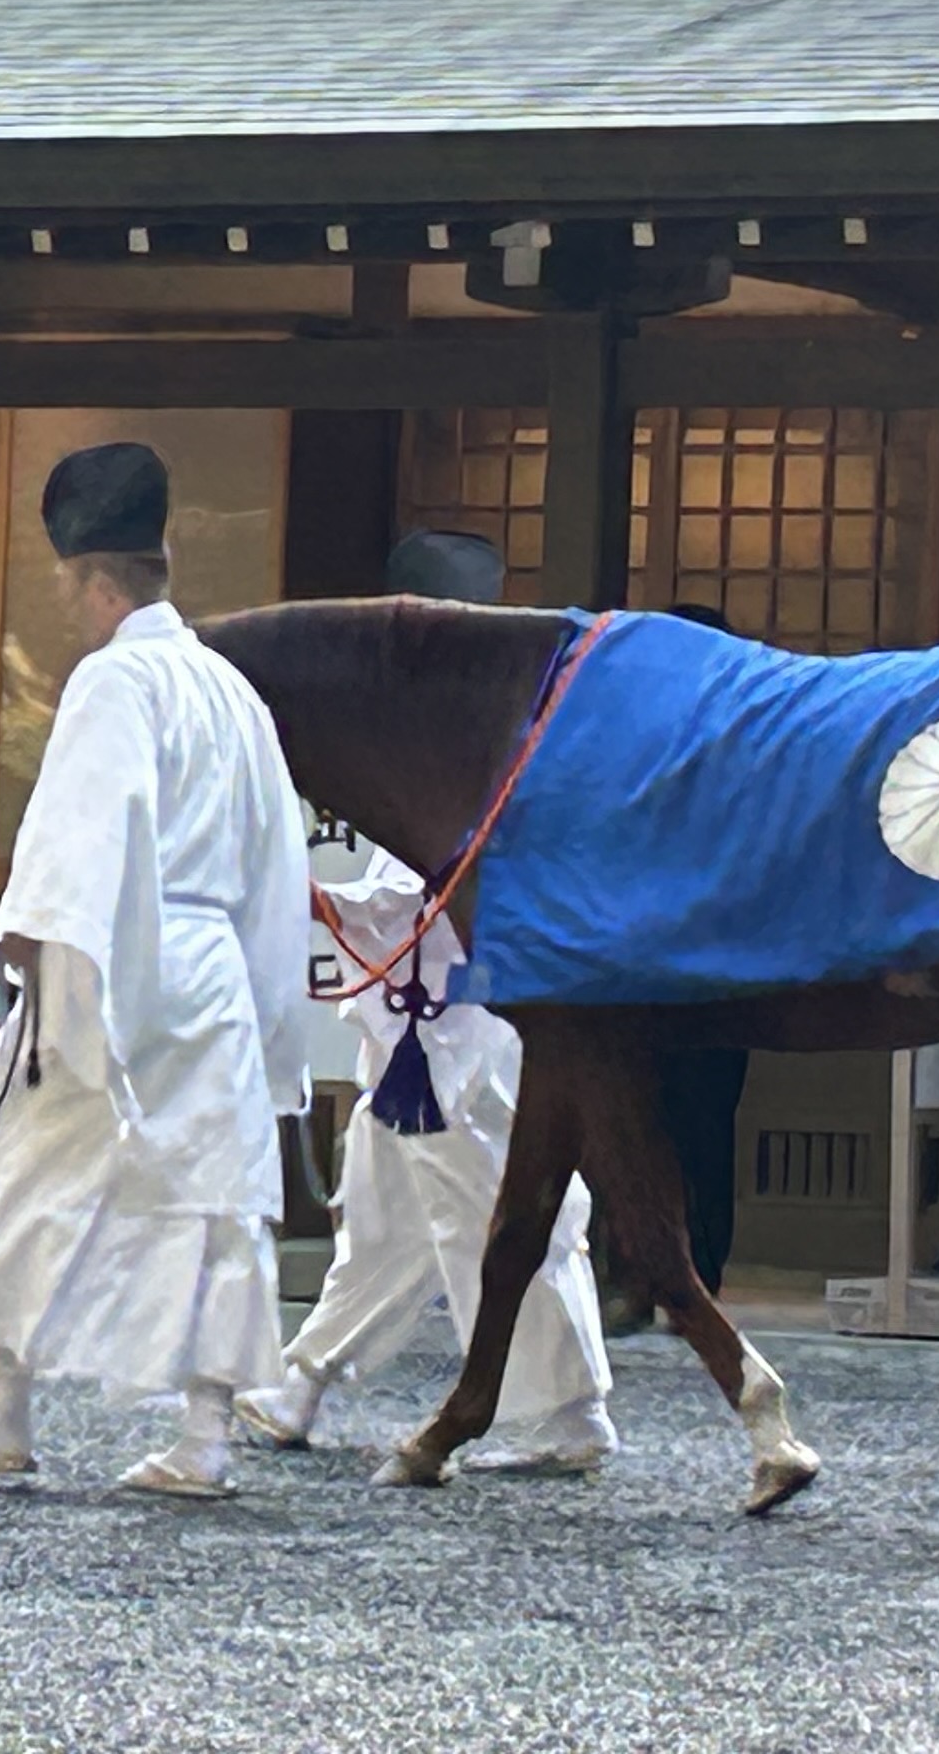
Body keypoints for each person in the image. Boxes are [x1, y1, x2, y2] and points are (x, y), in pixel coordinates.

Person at [0, 443, 314, 1496]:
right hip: (211, 969)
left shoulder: (118, 680)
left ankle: (5, 1407)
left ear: (91, 579)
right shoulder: (231, 691)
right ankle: (203, 1438)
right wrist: (271, 1009)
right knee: (212, 1204)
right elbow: (278, 861)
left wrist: (23, 945)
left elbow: (83, 838)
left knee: (28, 1176)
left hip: (119, 960)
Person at [236, 529, 616, 1472]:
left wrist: (338, 904)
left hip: (469, 1019)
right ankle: (303, 1380)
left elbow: (446, 884)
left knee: (497, 1214)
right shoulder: (447, 726)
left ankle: (567, 1411)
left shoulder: (505, 729)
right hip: (420, 1021)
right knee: (386, 1213)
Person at [608, 598, 748, 1340]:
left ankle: (701, 1277)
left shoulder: (741, 747)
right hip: (643, 962)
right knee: (640, 1125)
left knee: (703, 1128)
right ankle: (643, 1275)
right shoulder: (638, 742)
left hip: (716, 963)